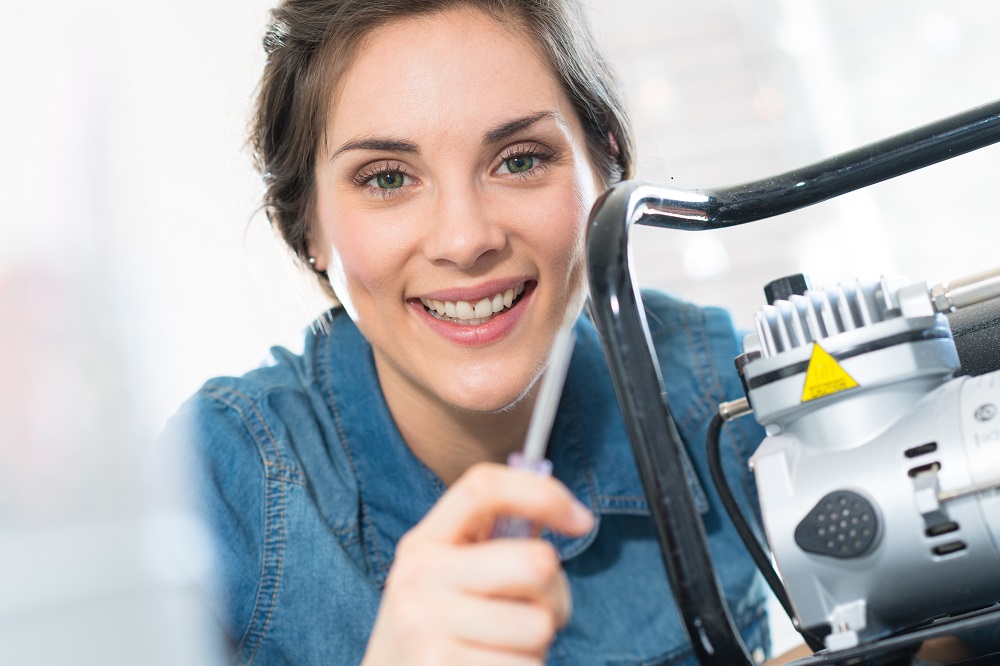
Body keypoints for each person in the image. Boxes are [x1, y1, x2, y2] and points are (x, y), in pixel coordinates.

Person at [160, 0, 772, 663]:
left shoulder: (719, 389)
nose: (466, 240)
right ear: (307, 223)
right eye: (388, 178)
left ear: (606, 166)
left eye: (519, 160)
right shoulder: (214, 487)